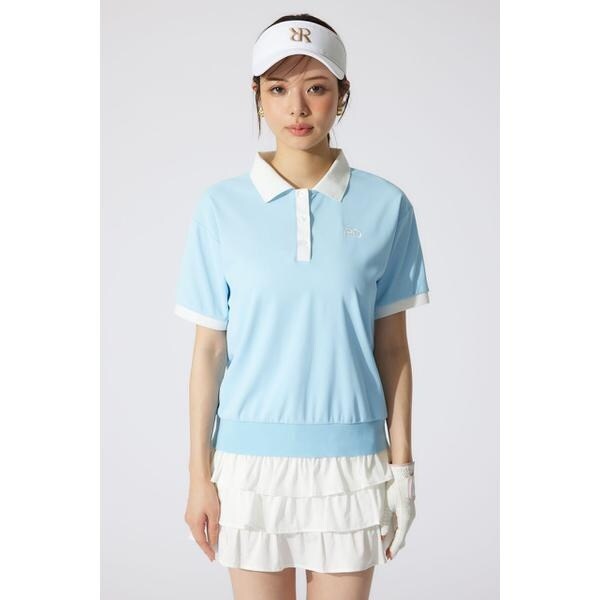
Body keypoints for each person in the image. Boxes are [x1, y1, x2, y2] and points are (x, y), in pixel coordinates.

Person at [174, 13, 431, 600]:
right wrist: (199, 476)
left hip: (353, 467)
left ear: (342, 94)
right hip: (248, 468)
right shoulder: (219, 208)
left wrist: (403, 471)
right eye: (278, 89)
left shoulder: (387, 205)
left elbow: (393, 349)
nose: (297, 108)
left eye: (316, 87)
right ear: (257, 95)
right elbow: (208, 352)